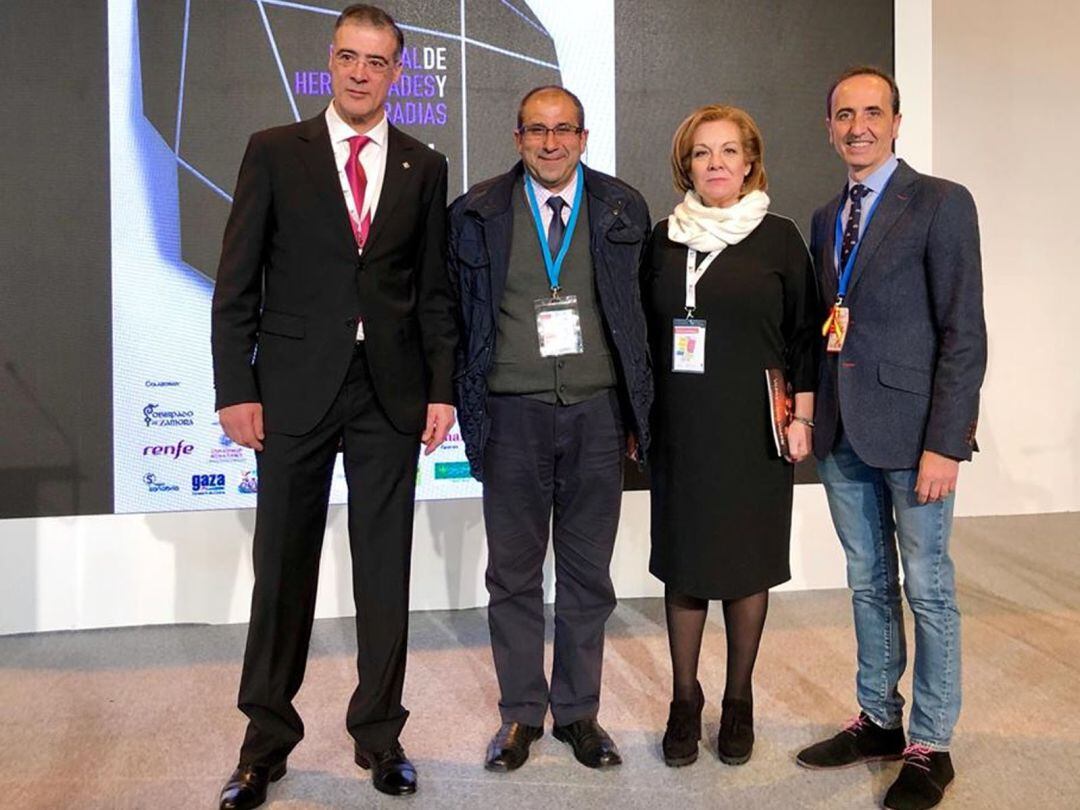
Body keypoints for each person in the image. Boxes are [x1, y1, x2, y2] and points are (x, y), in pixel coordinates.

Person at [210, 5, 457, 806]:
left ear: (396, 73)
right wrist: (234, 388)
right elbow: (236, 284)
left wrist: (441, 388)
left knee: (384, 569)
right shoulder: (275, 152)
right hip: (290, 390)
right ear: (330, 62)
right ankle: (264, 746)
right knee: (282, 567)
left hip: (388, 390)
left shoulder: (425, 164)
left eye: (376, 61)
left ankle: (381, 738)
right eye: (347, 58)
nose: (359, 73)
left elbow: (432, 293)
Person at [795, 66, 986, 810]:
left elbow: (962, 331)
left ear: (897, 121)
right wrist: (811, 415)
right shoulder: (823, 217)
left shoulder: (940, 202)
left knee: (929, 591)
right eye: (844, 114)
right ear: (830, 125)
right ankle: (878, 717)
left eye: (872, 113)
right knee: (868, 583)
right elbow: (825, 328)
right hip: (844, 432)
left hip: (915, 440)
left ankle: (930, 744)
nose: (858, 127)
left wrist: (947, 441)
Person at [447, 85, 652, 773]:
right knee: (512, 575)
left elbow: (638, 320)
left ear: (584, 137)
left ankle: (579, 713)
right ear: (517, 138)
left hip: (596, 414)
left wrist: (634, 412)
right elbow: (455, 319)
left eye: (564, 130)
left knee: (587, 575)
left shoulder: (623, 207)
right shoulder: (476, 213)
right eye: (537, 129)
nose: (551, 142)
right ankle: (518, 716)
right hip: (512, 415)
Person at [642, 105, 819, 768]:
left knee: (748, 566)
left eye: (727, 152)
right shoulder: (661, 239)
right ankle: (684, 701)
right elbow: (641, 336)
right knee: (685, 565)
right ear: (685, 166)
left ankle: (737, 700)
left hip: (756, 430)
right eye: (701, 154)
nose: (715, 164)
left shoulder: (779, 238)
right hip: (682, 429)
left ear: (750, 163)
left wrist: (802, 418)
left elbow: (805, 336)